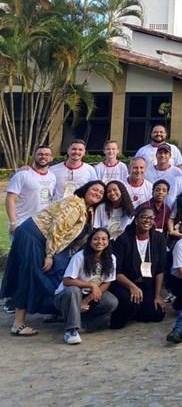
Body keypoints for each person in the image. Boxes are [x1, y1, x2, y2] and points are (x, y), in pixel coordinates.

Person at [3, 180, 105, 337]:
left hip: (42, 239)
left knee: (44, 274)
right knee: (29, 276)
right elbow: (58, 228)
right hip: (34, 236)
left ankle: (57, 312)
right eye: (95, 189)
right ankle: (18, 324)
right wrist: (50, 254)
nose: (97, 193)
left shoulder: (86, 209)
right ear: (86, 189)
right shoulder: (74, 204)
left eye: (101, 193)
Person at [54, 229, 118, 344]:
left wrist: (86, 300)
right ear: (90, 241)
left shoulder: (111, 258)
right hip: (68, 295)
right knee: (73, 290)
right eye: (96, 239)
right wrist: (91, 285)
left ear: (108, 242)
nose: (100, 242)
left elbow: (107, 282)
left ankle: (86, 324)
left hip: (88, 294)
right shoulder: (80, 257)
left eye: (104, 239)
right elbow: (67, 281)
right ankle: (71, 330)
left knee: (111, 301)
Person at [109, 205, 168, 329]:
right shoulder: (124, 239)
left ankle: (135, 312)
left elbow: (160, 270)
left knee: (157, 313)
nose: (148, 221)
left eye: (151, 218)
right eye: (144, 217)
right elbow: (117, 271)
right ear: (136, 220)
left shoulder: (158, 238)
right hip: (125, 283)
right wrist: (132, 287)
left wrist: (157, 295)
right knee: (131, 303)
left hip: (146, 284)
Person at [6, 146, 58, 231]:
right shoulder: (22, 175)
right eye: (40, 154)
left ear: (51, 158)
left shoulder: (52, 176)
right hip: (22, 223)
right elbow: (10, 199)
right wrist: (13, 223)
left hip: (43, 225)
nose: (43, 157)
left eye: (47, 155)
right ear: (35, 156)